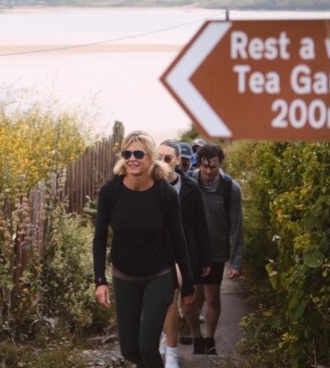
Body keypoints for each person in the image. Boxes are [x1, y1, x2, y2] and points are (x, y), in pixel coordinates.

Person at [93, 130, 195, 368]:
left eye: (139, 153)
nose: (132, 158)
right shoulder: (111, 192)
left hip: (158, 275)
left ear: (151, 158)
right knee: (129, 349)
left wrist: (188, 285)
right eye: (127, 153)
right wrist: (100, 280)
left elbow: (179, 239)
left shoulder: (165, 193)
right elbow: (99, 239)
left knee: (147, 345)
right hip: (124, 275)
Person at [184, 143, 243, 356]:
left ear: (220, 164)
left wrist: (235, 262)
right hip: (191, 250)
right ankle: (196, 338)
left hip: (216, 250)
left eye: (214, 167)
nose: (209, 171)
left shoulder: (230, 188)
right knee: (191, 297)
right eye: (205, 166)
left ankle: (209, 339)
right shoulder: (189, 182)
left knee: (212, 297)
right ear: (199, 163)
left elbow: (236, 226)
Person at [157, 140, 212, 368]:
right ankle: (169, 342)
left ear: (178, 161)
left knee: (180, 297)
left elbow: (201, 224)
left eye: (167, 158)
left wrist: (205, 257)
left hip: (186, 247)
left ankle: (170, 345)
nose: (162, 163)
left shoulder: (190, 187)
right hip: (158, 248)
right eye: (158, 157)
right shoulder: (149, 185)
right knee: (165, 296)